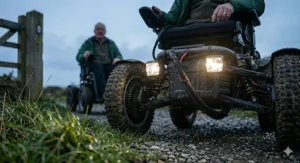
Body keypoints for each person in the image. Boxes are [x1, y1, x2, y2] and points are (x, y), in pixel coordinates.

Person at [76, 22, 123, 102]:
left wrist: (117, 58)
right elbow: (78, 57)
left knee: (117, 70)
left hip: (109, 65)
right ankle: (104, 94)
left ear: (105, 31)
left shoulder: (111, 43)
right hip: (94, 65)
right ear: (94, 31)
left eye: (102, 29)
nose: (100, 31)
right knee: (98, 67)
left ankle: (119, 95)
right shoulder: (88, 43)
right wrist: (84, 55)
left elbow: (119, 56)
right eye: (98, 29)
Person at [152, 0, 265, 26]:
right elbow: (175, 16)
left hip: (221, 26)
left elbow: (258, 3)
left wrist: (232, 5)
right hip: (188, 30)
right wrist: (162, 15)